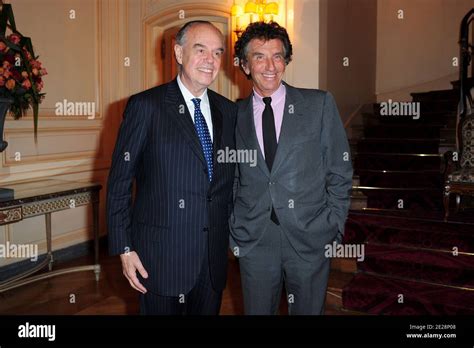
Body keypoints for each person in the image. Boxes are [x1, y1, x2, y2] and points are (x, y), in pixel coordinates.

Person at [107, 20, 237, 315]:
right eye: (200, 50)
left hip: (212, 262)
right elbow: (119, 183)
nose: (210, 60)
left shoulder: (229, 111)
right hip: (160, 260)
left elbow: (229, 183)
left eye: (217, 53)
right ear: (179, 53)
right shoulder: (146, 106)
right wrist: (124, 249)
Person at [230, 21, 353, 315]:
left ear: (286, 60)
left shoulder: (318, 104)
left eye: (278, 55)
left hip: (310, 236)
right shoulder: (234, 115)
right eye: (259, 56)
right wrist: (233, 228)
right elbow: (232, 177)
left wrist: (334, 226)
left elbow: (340, 169)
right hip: (255, 240)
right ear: (245, 65)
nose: (270, 65)